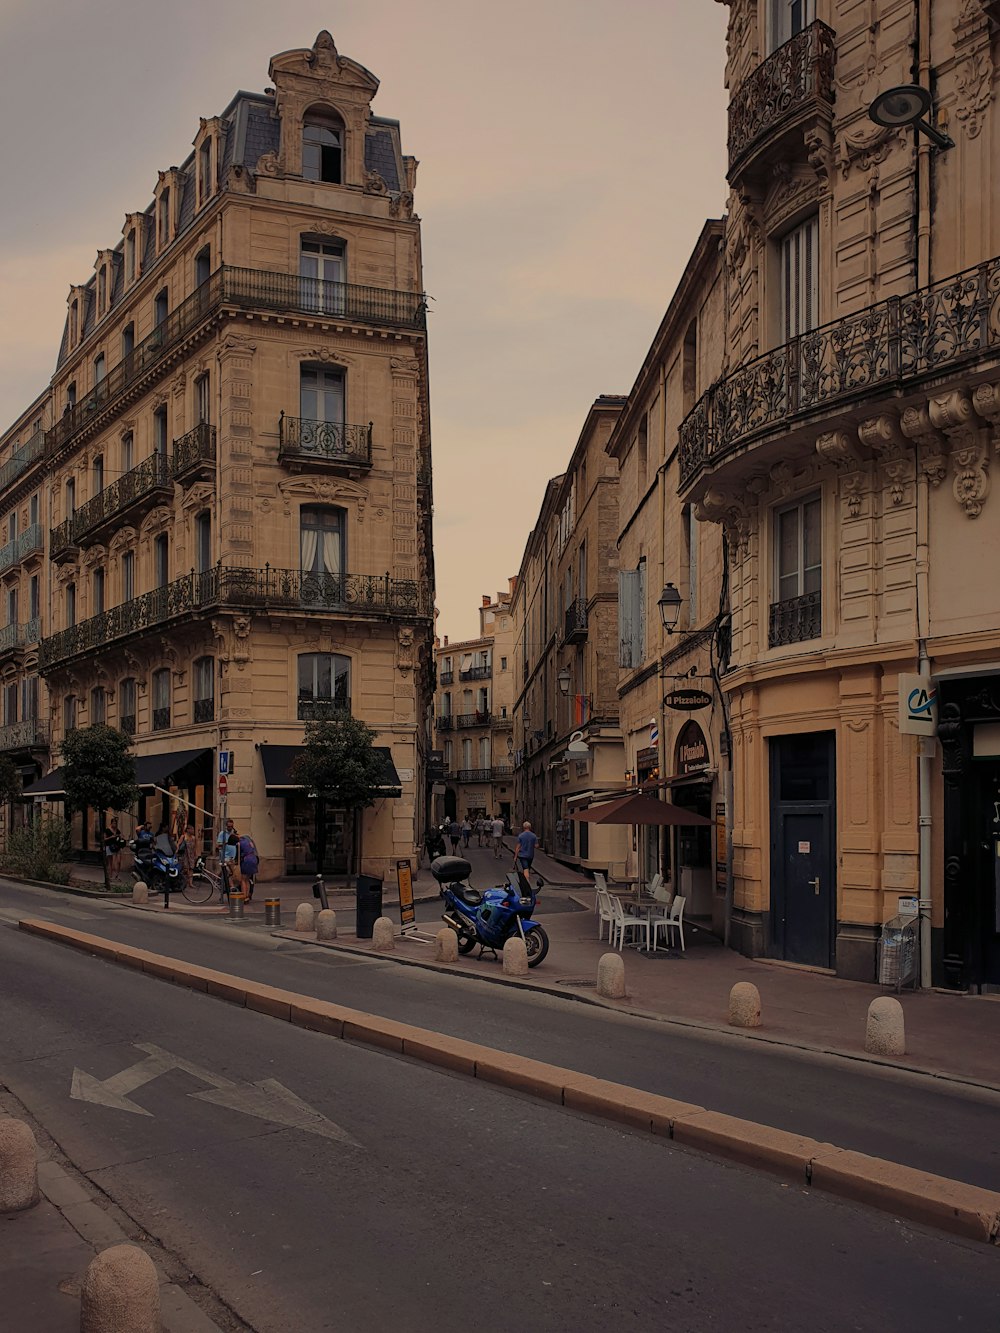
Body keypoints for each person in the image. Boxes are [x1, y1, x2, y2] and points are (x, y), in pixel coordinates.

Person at [216, 818, 240, 897]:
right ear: (226, 826)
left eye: (231, 826)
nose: (230, 828)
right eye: (229, 826)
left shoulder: (233, 833)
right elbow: (218, 845)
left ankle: (217, 879)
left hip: (232, 857)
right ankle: (232, 886)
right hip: (225, 856)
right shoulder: (222, 834)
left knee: (231, 872)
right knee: (229, 872)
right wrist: (227, 842)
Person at [238, 831, 259, 903]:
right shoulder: (248, 840)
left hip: (246, 860)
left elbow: (238, 854)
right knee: (247, 879)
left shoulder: (240, 843)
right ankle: (247, 896)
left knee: (243, 879)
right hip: (254, 859)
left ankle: (243, 896)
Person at [177, 823, 197, 895]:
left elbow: (195, 846)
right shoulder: (183, 836)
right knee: (185, 868)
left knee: (191, 868)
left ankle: (190, 883)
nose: (193, 831)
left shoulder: (194, 838)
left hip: (191, 855)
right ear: (188, 830)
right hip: (185, 854)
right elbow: (178, 844)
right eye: (192, 829)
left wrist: (195, 854)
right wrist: (177, 852)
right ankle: (184, 881)